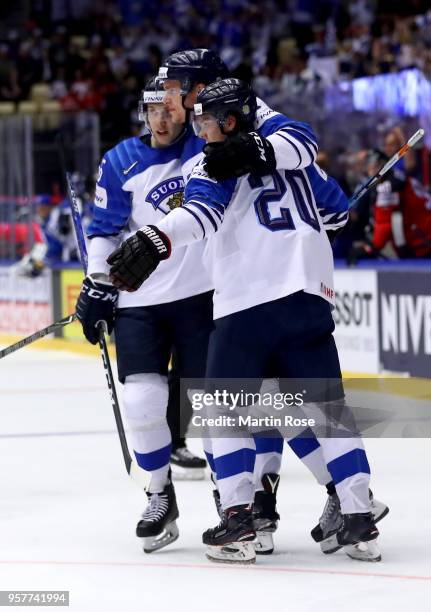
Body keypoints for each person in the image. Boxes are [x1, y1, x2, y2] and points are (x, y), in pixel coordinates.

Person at [106, 78, 384, 564]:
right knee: (328, 411)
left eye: (206, 121)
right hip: (309, 297)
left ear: (230, 121)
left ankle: (238, 517)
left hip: (247, 303)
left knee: (221, 411)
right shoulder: (295, 161)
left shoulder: (209, 163)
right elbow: (337, 212)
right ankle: (360, 519)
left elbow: (200, 218)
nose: (200, 129)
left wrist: (156, 237)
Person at [75, 77, 213, 553]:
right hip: (139, 301)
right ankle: (159, 494)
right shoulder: (119, 161)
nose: (161, 118)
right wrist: (96, 283)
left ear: (184, 109)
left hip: (202, 295)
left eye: (170, 109)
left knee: (211, 403)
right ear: (144, 113)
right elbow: (104, 231)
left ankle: (235, 499)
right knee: (141, 400)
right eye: (153, 110)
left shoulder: (207, 148)